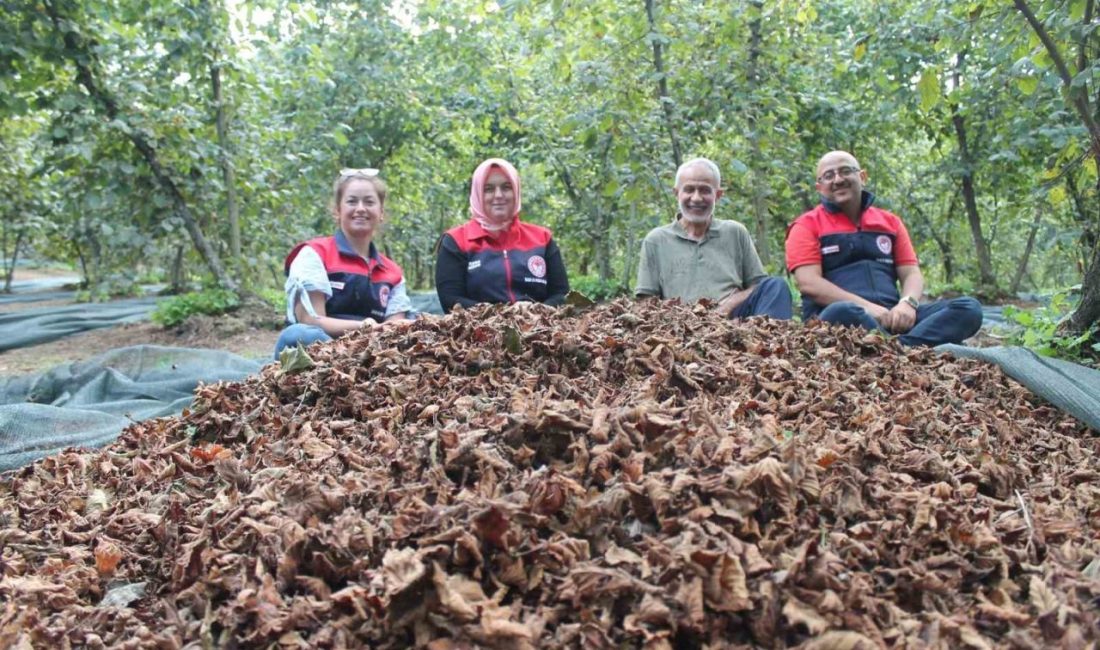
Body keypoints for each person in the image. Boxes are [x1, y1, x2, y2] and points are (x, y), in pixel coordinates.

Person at [785, 150, 982, 346]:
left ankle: (900, 347)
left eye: (845, 171)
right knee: (842, 311)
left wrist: (907, 304)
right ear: (819, 187)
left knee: (969, 308)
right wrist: (868, 308)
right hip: (841, 318)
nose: (838, 180)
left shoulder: (890, 222)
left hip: (891, 317)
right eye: (829, 176)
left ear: (862, 177)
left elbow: (911, 273)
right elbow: (809, 284)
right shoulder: (806, 225)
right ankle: (904, 347)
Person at [274, 168, 413, 358]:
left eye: (369, 202)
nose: (361, 208)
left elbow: (394, 328)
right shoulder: (315, 254)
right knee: (297, 335)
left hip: (373, 355)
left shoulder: (392, 272)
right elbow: (310, 320)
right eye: (352, 201)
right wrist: (363, 326)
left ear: (381, 212)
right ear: (337, 210)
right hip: (321, 351)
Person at [634, 157, 793, 319]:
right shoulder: (656, 240)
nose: (696, 198)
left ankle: (768, 336)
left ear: (718, 195)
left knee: (776, 286)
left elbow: (758, 286)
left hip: (735, 320)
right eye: (689, 190)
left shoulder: (735, 232)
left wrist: (727, 305)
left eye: (705, 190)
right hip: (679, 323)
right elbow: (645, 302)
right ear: (676, 193)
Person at [435, 158, 569, 313]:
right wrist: (503, 314)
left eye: (506, 187)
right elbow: (450, 300)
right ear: (477, 193)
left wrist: (535, 311)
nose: (498, 195)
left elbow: (562, 294)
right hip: (478, 327)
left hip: (541, 325)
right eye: (488, 189)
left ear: (516, 191)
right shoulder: (456, 241)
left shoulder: (542, 238)